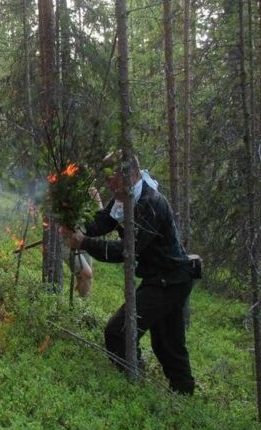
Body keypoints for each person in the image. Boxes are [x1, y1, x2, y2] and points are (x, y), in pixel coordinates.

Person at [62, 150, 196, 394]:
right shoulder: (125, 197)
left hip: (170, 280)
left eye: (112, 178)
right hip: (162, 278)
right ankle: (180, 392)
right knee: (168, 346)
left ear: (131, 174)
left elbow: (126, 251)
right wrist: (77, 227)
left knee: (119, 332)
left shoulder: (150, 203)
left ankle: (136, 389)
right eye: (107, 179)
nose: (108, 185)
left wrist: (83, 243)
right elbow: (103, 221)